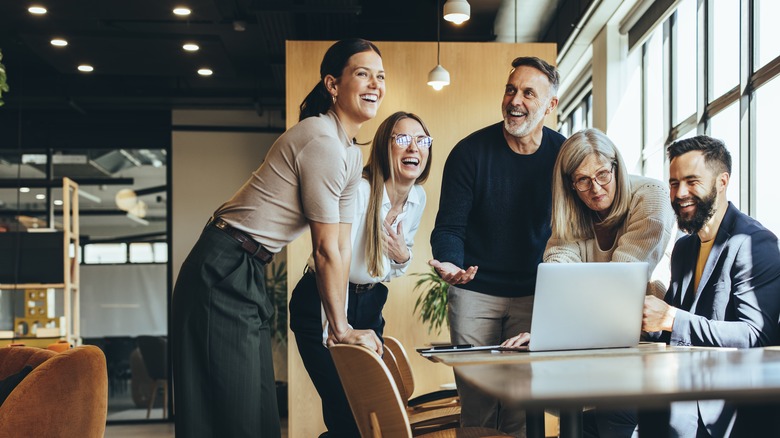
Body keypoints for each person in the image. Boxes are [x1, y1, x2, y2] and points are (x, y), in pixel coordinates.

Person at [171, 38, 385, 438]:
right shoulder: (321, 141)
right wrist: (340, 328)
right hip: (222, 264)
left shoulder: (350, 153)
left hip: (248, 265)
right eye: (363, 74)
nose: (375, 84)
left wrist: (339, 327)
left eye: (381, 76)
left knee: (257, 409)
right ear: (333, 85)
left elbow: (341, 246)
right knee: (232, 411)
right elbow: (324, 249)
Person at [501, 128, 676, 438]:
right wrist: (547, 332)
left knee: (613, 421)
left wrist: (558, 329)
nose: (595, 189)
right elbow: (559, 267)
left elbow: (621, 281)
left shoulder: (652, 196)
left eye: (602, 175)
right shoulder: (572, 209)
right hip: (595, 340)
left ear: (616, 166)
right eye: (582, 180)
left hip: (645, 339)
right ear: (570, 184)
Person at [429, 56, 566, 436]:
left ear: (550, 105)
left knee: (522, 406)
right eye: (510, 90)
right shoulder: (469, 152)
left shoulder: (563, 155)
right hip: (475, 293)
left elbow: (575, 228)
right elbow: (449, 227)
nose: (515, 100)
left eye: (528, 93)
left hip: (535, 295)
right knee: (478, 405)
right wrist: (451, 263)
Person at [290, 111, 432, 437]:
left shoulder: (417, 198)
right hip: (324, 299)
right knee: (347, 414)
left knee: (369, 414)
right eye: (402, 139)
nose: (414, 147)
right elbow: (333, 260)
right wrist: (337, 328)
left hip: (369, 303)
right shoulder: (361, 191)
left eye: (422, 140)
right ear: (384, 146)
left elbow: (391, 269)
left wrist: (403, 256)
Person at [642, 135, 780, 437]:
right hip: (683, 386)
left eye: (692, 181)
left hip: (729, 405)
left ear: (722, 182)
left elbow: (756, 336)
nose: (680, 193)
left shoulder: (754, 243)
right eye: (674, 183)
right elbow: (671, 327)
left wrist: (670, 318)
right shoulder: (684, 247)